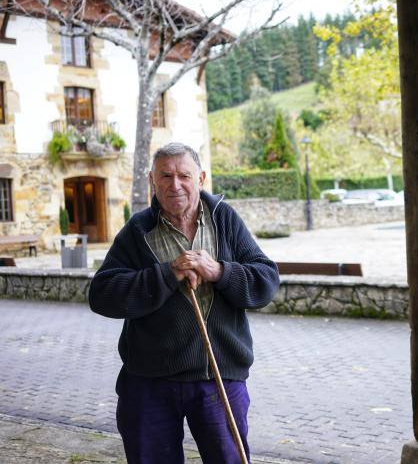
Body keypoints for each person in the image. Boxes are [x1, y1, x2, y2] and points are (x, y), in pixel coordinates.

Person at [89, 142, 280, 463]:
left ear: (201, 178)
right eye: (165, 176)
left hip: (219, 380)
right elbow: (103, 294)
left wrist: (219, 271)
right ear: (152, 180)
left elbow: (266, 280)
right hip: (150, 382)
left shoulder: (225, 220)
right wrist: (167, 274)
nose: (174, 184)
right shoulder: (139, 230)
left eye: (184, 175)